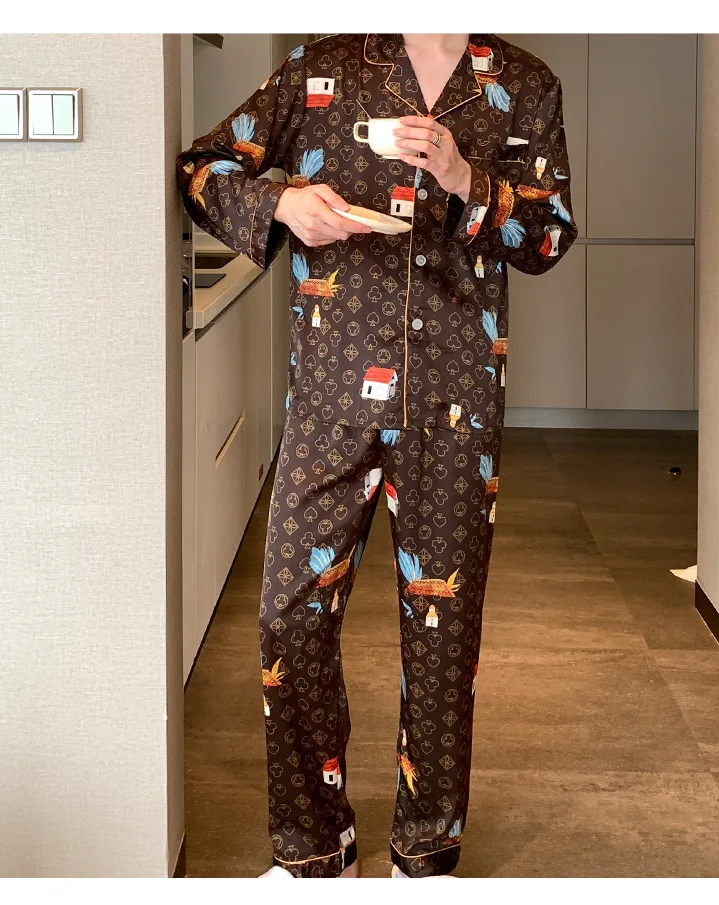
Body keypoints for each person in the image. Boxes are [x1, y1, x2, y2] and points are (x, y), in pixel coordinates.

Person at [177, 31, 577, 879]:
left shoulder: (525, 83)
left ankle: (425, 855)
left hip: (456, 397)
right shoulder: (320, 69)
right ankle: (316, 853)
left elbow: (549, 236)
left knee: (443, 636)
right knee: (288, 614)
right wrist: (282, 206)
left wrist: (467, 179)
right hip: (330, 395)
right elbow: (202, 170)